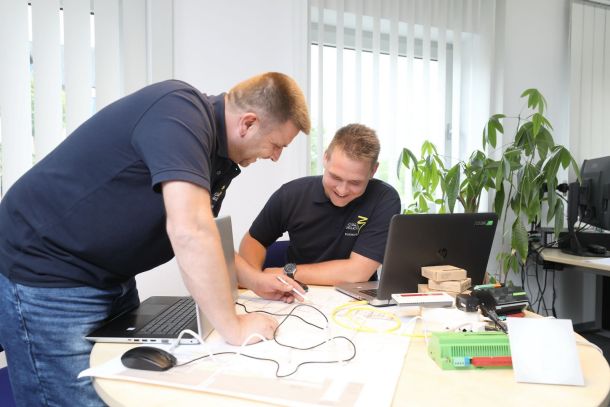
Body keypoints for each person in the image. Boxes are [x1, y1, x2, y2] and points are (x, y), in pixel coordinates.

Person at [0, 72, 310, 406]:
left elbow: (207, 233)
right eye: (277, 145)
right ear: (248, 123)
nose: (275, 157)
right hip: (48, 272)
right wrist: (234, 327)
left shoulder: (218, 155)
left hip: (110, 277)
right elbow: (190, 231)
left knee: (123, 389)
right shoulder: (179, 112)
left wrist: (254, 279)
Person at [239, 123, 401, 286]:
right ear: (325, 158)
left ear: (373, 170)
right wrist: (254, 279)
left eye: (355, 183)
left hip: (353, 296)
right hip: (295, 291)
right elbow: (254, 240)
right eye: (335, 177)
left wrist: (286, 272)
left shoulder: (384, 199)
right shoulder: (291, 194)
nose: (342, 190)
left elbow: (357, 272)